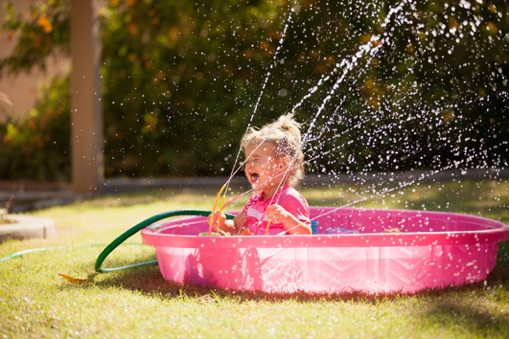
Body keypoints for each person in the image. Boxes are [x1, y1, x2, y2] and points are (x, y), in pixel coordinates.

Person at [209, 113, 311, 235]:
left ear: (282, 164)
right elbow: (236, 229)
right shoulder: (254, 201)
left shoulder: (289, 198)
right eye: (247, 160)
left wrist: (286, 218)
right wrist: (221, 225)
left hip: (284, 255)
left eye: (256, 159)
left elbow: (307, 237)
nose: (249, 165)